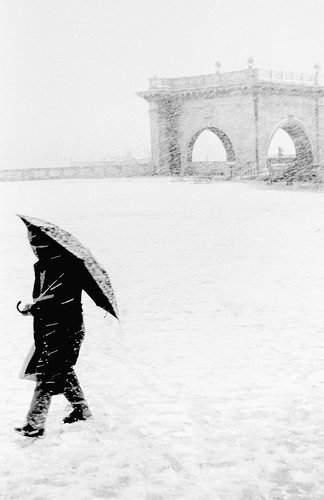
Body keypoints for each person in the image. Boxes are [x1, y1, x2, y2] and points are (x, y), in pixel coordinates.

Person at [15, 228, 92, 438]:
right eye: (33, 243)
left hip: (65, 330)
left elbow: (63, 304)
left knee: (47, 373)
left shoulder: (67, 267)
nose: (34, 247)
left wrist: (35, 308)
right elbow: (49, 302)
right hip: (52, 329)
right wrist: (36, 308)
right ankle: (81, 409)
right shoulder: (45, 266)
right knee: (62, 369)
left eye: (37, 243)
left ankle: (35, 424)